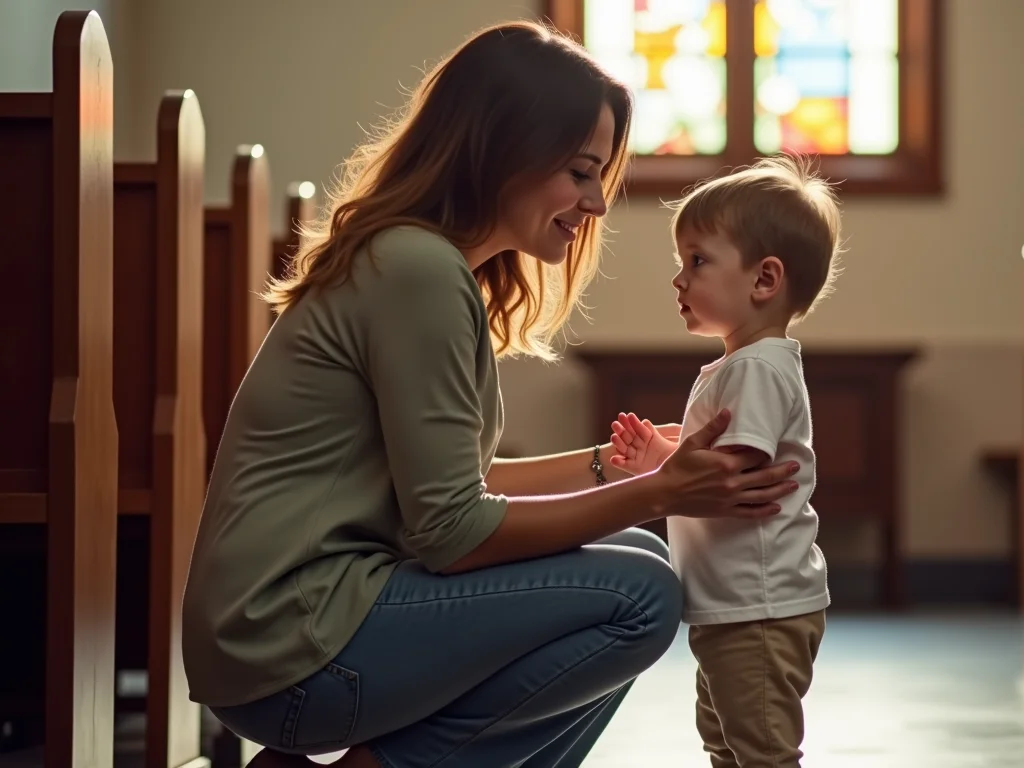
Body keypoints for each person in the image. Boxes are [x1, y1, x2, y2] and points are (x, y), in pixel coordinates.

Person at [180, 20, 803, 768]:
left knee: (630, 555)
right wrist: (659, 494)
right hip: (291, 640)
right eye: (579, 171)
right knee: (639, 591)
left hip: (293, 627)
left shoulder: (421, 264)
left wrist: (615, 466)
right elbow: (452, 532)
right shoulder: (415, 270)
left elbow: (447, 491)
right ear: (503, 149)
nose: (596, 203)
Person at [607, 155, 842, 768]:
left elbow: (728, 476)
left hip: (759, 608)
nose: (679, 280)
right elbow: (715, 469)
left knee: (761, 750)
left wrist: (662, 463)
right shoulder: (746, 364)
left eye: (698, 261)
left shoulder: (757, 368)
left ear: (765, 279)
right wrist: (663, 458)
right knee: (725, 741)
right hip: (735, 604)